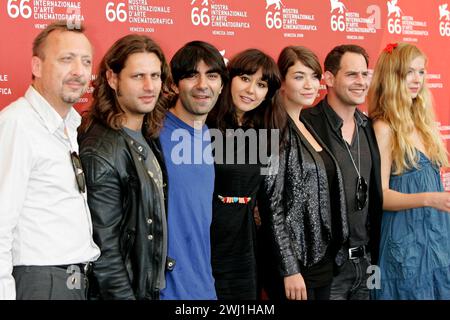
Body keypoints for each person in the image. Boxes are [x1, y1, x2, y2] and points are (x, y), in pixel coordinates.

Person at [0, 20, 100, 300]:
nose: (79, 72)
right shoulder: (18, 124)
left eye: (86, 61)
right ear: (36, 66)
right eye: (66, 59)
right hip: (41, 283)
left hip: (71, 282)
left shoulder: (69, 126)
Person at [78, 35, 170, 300]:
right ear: (113, 79)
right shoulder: (102, 150)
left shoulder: (147, 136)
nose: (149, 85)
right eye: (138, 76)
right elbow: (104, 251)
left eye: (155, 75)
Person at [258, 46, 348, 300]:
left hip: (322, 260)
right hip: (297, 266)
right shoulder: (275, 131)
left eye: (313, 76)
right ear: (282, 83)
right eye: (299, 77)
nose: (310, 85)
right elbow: (271, 205)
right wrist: (289, 268)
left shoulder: (306, 124)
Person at [368, 42, 450, 300]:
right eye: (409, 73)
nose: (417, 80)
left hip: (437, 234)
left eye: (421, 71)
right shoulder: (383, 127)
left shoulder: (423, 123)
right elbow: (380, 195)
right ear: (392, 77)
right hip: (404, 240)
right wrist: (430, 198)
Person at [301, 44, 383, 300]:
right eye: (351, 75)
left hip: (368, 262)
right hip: (329, 266)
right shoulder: (305, 123)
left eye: (364, 74)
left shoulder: (370, 127)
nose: (361, 82)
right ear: (329, 78)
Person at [206, 48, 281, 300]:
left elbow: (270, 197)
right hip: (207, 236)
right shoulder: (205, 123)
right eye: (245, 79)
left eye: (261, 84)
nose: (251, 91)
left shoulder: (266, 133)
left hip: (246, 240)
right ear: (230, 79)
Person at [158, 41, 228, 300]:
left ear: (221, 85)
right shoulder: (154, 135)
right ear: (174, 85)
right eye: (191, 75)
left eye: (212, 75)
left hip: (203, 286)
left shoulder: (211, 136)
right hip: (163, 289)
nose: (202, 85)